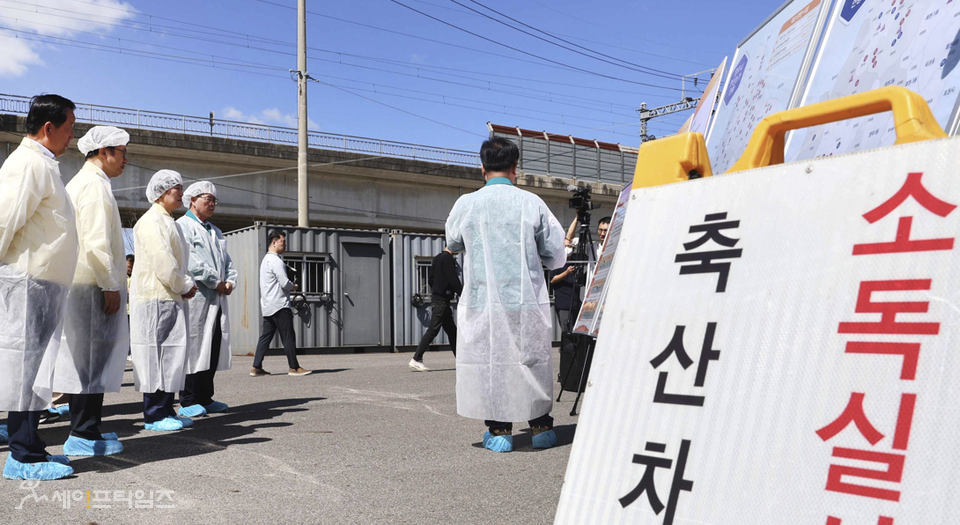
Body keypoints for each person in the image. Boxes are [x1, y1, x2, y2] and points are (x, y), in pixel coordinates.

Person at [445, 137, 566, 453]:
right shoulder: (531, 202)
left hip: (484, 302)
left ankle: (500, 432)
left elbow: (453, 241)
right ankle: (540, 429)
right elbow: (555, 251)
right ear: (516, 167)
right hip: (525, 300)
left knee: (492, 363)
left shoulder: (466, 204)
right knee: (531, 359)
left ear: (482, 167)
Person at [0, 94, 80, 480]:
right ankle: (21, 456)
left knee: (34, 369)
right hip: (27, 281)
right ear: (48, 128)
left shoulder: (44, 164)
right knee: (24, 368)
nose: (72, 137)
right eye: (69, 129)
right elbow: (3, 221)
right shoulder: (28, 163)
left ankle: (32, 445)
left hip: (42, 283)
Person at [52, 126, 131, 457]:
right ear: (104, 152)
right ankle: (83, 432)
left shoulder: (88, 182)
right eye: (122, 152)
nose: (126, 159)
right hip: (91, 284)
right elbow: (97, 242)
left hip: (84, 282)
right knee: (90, 361)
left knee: (87, 361)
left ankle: (87, 428)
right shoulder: (94, 187)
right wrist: (109, 284)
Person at [129, 170, 198, 432]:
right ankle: (154, 413)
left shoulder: (169, 221)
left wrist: (183, 285)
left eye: (181, 188)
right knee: (155, 356)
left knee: (169, 355)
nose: (181, 193)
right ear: (161, 193)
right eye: (176, 189)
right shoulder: (151, 222)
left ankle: (167, 409)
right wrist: (184, 285)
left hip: (169, 297)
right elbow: (163, 263)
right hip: (154, 298)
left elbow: (178, 263)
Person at [176, 181, 236, 418]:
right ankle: (188, 399)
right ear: (192, 200)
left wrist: (230, 281)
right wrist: (216, 282)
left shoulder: (216, 231)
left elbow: (227, 263)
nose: (212, 203)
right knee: (193, 348)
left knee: (211, 347)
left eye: (214, 200)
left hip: (217, 299)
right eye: (207, 199)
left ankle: (205, 397)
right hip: (197, 298)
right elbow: (191, 261)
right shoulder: (183, 226)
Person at [251, 229, 312, 377]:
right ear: (274, 242)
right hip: (279, 304)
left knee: (265, 337)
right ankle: (294, 368)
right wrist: (294, 286)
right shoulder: (276, 261)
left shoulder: (265, 260)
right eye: (282, 242)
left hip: (267, 305)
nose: (285, 244)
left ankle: (256, 367)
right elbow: (284, 283)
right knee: (288, 335)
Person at [408, 247, 462, 372]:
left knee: (452, 331)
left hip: (438, 299)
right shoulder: (448, 259)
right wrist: (462, 293)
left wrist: (438, 289)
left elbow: (431, 279)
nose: (459, 251)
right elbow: (452, 278)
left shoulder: (437, 258)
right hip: (442, 301)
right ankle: (416, 358)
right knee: (433, 330)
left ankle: (460, 361)